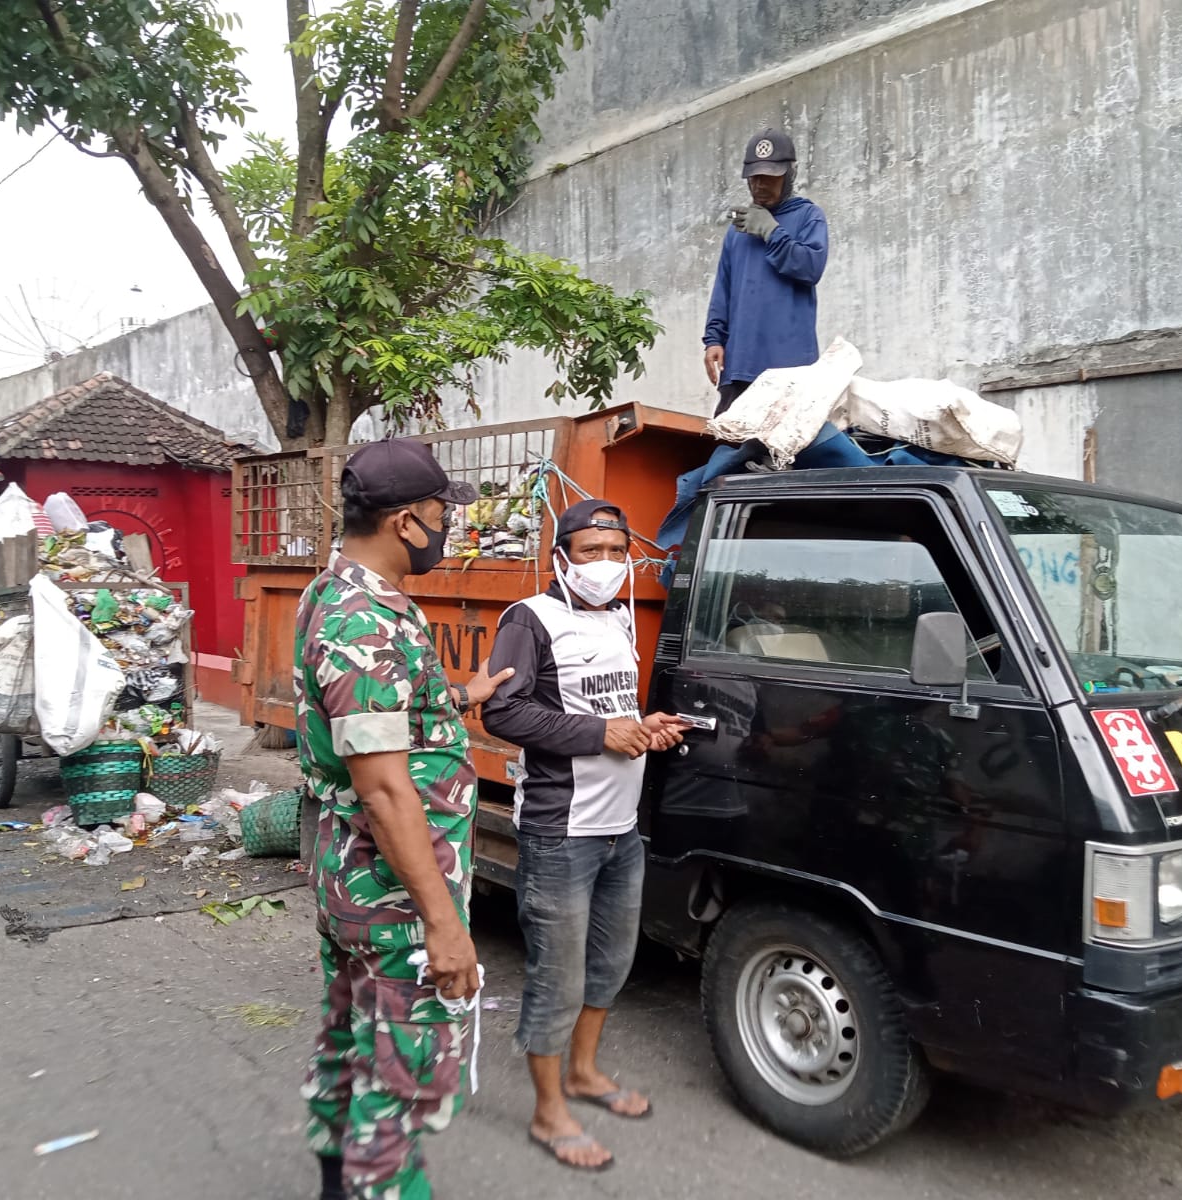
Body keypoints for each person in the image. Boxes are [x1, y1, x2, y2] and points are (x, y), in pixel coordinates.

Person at [294, 437, 515, 1200]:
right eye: (438, 514)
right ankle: (378, 1186)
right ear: (404, 523)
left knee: (348, 1030)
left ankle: (335, 1172)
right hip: (389, 891)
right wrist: (444, 925)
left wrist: (458, 697)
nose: (445, 527)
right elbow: (385, 788)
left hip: (346, 878)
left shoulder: (335, 592)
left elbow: (377, 718)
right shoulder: (365, 619)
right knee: (404, 1065)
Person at [481, 500, 686, 1172]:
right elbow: (504, 711)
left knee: (611, 964)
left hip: (620, 830)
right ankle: (547, 1113)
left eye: (614, 550)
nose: (604, 562)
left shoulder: (619, 619)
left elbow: (612, 712)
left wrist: (643, 725)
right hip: (560, 831)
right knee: (558, 977)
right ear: (562, 555)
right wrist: (601, 734)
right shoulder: (530, 620)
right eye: (590, 549)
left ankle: (585, 1073)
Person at [702, 127, 829, 416]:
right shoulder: (738, 230)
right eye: (755, 177)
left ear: (790, 175)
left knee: (789, 456)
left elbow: (811, 267)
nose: (760, 185)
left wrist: (773, 233)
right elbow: (723, 289)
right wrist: (714, 340)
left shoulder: (808, 216)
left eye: (771, 177)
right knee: (727, 449)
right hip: (740, 365)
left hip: (790, 368)